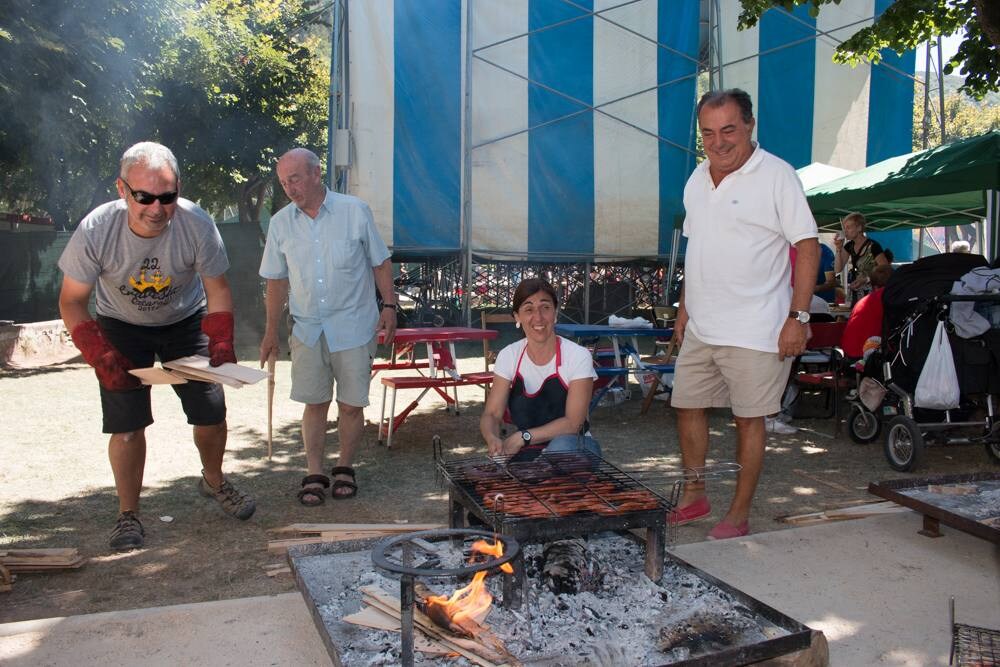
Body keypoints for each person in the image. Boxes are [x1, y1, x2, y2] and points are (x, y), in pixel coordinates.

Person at [58, 141, 255, 552]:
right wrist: (98, 353)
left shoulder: (197, 223)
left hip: (185, 321)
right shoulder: (96, 229)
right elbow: (72, 300)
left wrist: (220, 339)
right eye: (143, 197)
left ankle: (214, 481)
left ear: (178, 189)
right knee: (127, 427)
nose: (156, 208)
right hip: (121, 326)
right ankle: (128, 515)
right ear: (121, 189)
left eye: (167, 197)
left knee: (211, 413)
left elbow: (217, 289)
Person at [669, 89, 819, 540]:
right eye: (709, 133)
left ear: (750, 125)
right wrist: (684, 310)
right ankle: (695, 493)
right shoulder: (696, 179)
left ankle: (738, 513)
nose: (719, 142)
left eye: (729, 129)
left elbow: (807, 245)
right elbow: (699, 248)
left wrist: (800, 316)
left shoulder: (777, 175)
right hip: (703, 323)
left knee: (748, 419)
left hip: (757, 327)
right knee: (686, 406)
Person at [259, 148, 397, 506]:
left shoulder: (355, 211)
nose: (289, 188)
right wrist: (270, 331)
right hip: (307, 329)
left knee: (351, 404)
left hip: (354, 324)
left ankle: (345, 467)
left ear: (316, 174)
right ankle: (315, 471)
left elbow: (380, 263)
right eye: (283, 182)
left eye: (295, 178)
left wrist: (391, 306)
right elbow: (276, 281)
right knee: (314, 402)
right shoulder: (280, 223)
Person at [480, 278, 599, 459]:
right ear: (517, 317)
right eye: (528, 309)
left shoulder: (578, 356)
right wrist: (492, 438)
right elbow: (492, 413)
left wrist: (524, 437)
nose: (538, 317)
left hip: (575, 448)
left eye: (545, 308)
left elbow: (574, 423)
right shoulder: (509, 356)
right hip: (529, 449)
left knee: (560, 448)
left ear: (555, 313)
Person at [833, 212, 889, 306]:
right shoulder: (849, 246)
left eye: (848, 227)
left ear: (859, 228)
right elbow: (837, 269)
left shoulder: (873, 246)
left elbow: (886, 270)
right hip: (856, 293)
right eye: (844, 228)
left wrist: (866, 279)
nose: (845, 231)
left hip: (872, 293)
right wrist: (838, 249)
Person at [841, 264, 893, 359]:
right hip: (866, 355)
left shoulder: (863, 301)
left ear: (873, 285)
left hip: (849, 352)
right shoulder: (888, 297)